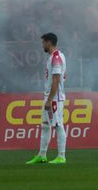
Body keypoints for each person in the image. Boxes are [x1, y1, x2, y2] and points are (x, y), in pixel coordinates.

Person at [26, 32, 67, 165]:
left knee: (58, 125)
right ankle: (42, 155)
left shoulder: (56, 57)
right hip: (50, 97)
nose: (42, 45)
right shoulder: (53, 57)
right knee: (45, 125)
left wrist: (50, 100)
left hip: (55, 98)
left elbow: (56, 79)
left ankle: (61, 156)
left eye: (43, 42)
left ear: (49, 42)